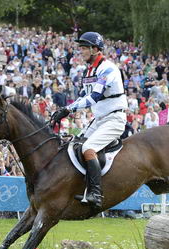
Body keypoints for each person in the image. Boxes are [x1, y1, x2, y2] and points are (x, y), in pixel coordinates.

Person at [51, 31, 128, 209]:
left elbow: (93, 97)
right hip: (100, 119)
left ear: (95, 49)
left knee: (88, 148)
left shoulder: (107, 68)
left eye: (84, 48)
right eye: (81, 48)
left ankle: (96, 194)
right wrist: (64, 110)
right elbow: (82, 97)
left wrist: (68, 109)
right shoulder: (89, 71)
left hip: (114, 118)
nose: (81, 52)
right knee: (75, 144)